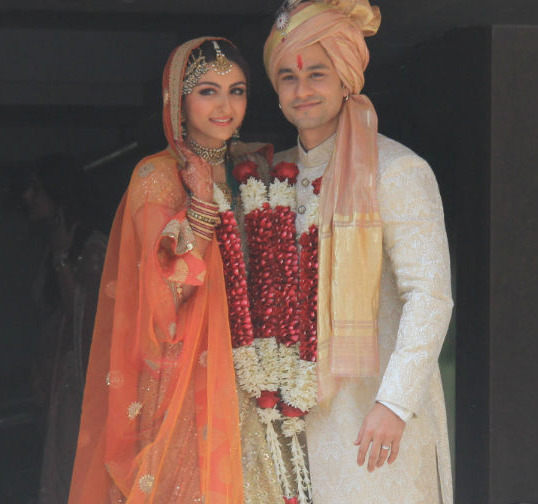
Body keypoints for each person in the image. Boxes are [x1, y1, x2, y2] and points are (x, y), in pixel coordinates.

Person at [68, 37, 282, 504]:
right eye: (208, 91)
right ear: (178, 101)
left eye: (237, 91)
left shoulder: (255, 170)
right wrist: (201, 204)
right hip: (186, 378)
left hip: (256, 373)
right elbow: (165, 291)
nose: (225, 106)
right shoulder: (159, 175)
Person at [261, 1, 454, 502]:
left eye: (317, 74)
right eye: (287, 77)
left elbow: (429, 296)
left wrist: (395, 403)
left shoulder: (395, 171)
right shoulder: (270, 176)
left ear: (346, 77)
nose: (301, 90)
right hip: (290, 427)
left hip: (376, 425)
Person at [21, 154, 107, 504]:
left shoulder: (94, 247)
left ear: (59, 194)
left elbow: (88, 316)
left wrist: (61, 260)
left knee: (76, 474)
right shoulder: (53, 247)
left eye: (36, 189)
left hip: (79, 385)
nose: (27, 197)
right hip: (54, 382)